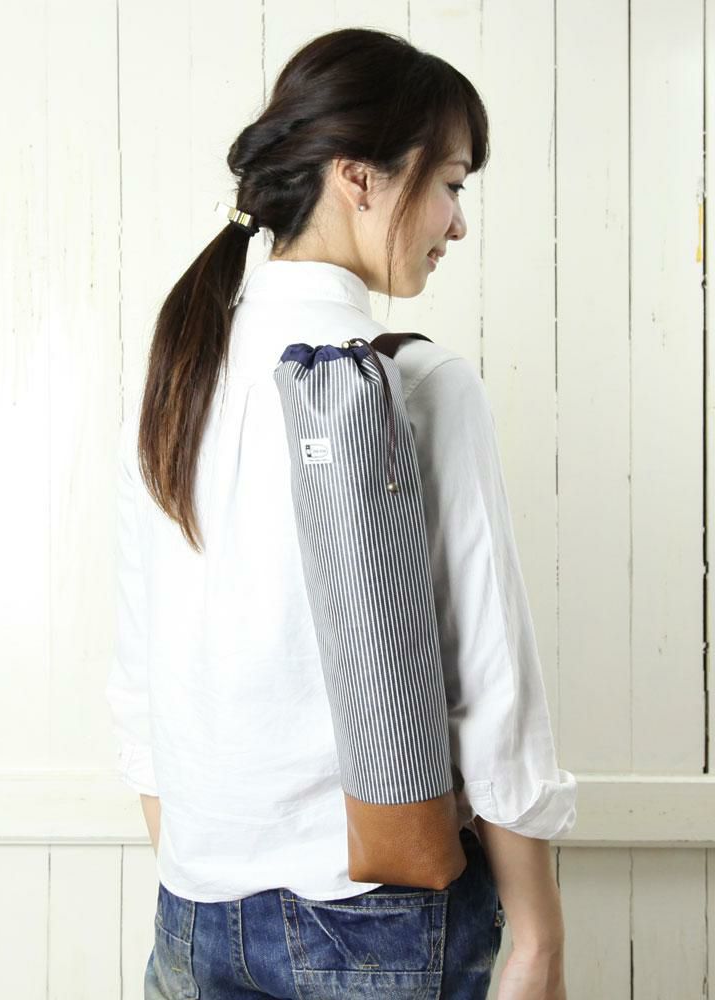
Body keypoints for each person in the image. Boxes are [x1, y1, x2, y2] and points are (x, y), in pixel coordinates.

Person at [105, 26, 577, 1000]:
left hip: (193, 909)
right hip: (376, 915)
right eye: (450, 184)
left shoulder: (179, 378)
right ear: (359, 177)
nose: (456, 225)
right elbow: (494, 692)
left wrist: (209, 874)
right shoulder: (414, 385)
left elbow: (140, 677)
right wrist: (537, 942)